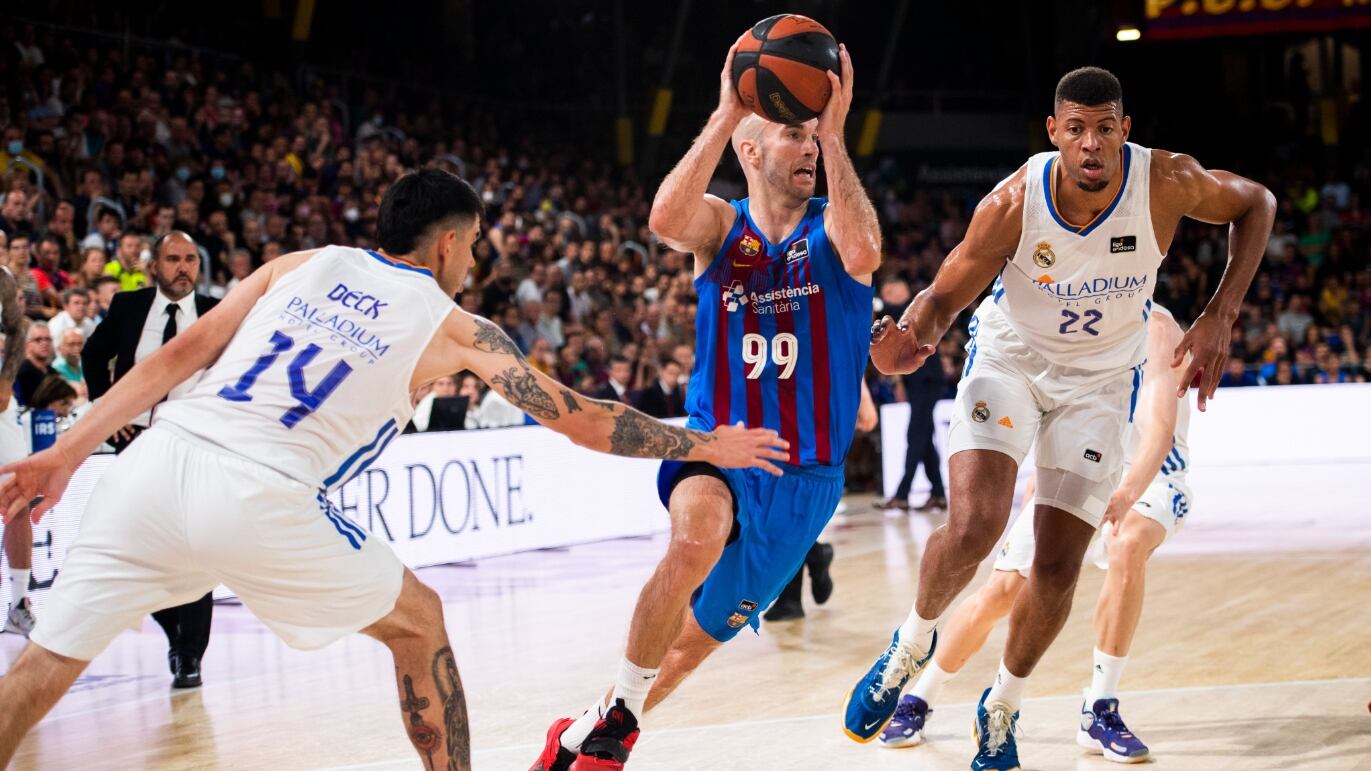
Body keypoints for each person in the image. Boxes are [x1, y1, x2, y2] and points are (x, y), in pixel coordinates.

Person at [0, 168, 787, 770]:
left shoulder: (299, 262)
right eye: (473, 246)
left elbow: (175, 358)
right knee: (420, 622)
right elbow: (582, 419)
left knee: (41, 666)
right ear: (446, 242)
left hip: (157, 461)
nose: (473, 263)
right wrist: (703, 444)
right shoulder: (453, 326)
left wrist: (65, 451)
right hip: (265, 492)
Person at [845, 66, 1273, 770]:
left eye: (1105, 127)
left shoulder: (1164, 180)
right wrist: (908, 344)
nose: (1091, 143)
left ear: (1124, 131)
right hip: (1010, 359)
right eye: (1075, 128)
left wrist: (1220, 312)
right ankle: (906, 648)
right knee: (976, 525)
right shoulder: (1014, 200)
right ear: (1053, 132)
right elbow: (942, 296)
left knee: (1055, 563)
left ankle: (1002, 705)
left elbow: (1256, 201)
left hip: (1101, 383)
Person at [532, 39, 879, 771]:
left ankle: (581, 734)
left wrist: (836, 133)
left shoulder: (830, 226)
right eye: (791, 132)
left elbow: (863, 254)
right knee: (693, 539)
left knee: (686, 651)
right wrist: (726, 110)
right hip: (715, 444)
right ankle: (611, 734)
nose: (807, 145)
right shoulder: (722, 227)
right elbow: (664, 218)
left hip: (806, 479)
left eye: (812, 135)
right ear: (749, 151)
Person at [881, 306, 1192, 764]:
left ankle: (1099, 707)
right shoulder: (1078, 314)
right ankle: (922, 695)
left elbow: (1159, 434)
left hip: (1150, 476)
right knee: (1002, 590)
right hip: (1082, 467)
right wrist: (1037, 480)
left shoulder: (1157, 327)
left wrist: (1125, 495)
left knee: (1127, 544)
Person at [80, 230, 222, 688]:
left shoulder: (216, 313)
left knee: (198, 548)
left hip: (196, 441)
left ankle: (189, 655)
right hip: (137, 440)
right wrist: (107, 410)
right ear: (154, 267)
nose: (183, 267)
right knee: (139, 546)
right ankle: (172, 631)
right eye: (173, 259)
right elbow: (92, 354)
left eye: (191, 260)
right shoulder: (128, 306)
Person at [763, 379, 878, 623]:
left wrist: (862, 393)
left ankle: (791, 597)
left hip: (808, 402)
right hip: (769, 395)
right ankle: (815, 555)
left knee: (787, 505)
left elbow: (845, 342)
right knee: (769, 509)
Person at [0, 269, 33, 635]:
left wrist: (6, 380)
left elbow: (17, 327)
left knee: (19, 496)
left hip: (0, 404)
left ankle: (20, 602)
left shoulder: (2, 278)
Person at [878, 352, 947, 512]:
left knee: (915, 437)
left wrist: (898, 379)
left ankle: (902, 495)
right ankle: (938, 494)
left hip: (925, 378)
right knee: (925, 440)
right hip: (921, 378)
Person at [14, 323, 54, 406]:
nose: (44, 343)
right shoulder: (21, 372)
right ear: (27, 344)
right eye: (38, 339)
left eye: (48, 339)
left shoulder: (53, 372)